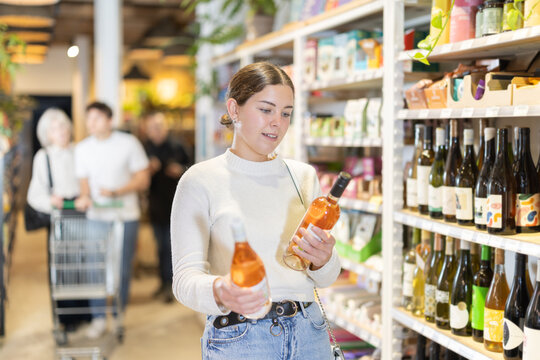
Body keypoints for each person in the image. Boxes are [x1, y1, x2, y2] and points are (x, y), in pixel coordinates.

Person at [171, 62, 341, 359]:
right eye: (266, 110)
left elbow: (326, 277)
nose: (277, 122)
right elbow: (184, 280)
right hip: (241, 338)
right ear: (234, 109)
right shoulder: (200, 180)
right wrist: (222, 289)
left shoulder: (302, 176)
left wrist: (323, 260)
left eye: (286, 113)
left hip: (309, 332)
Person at [74, 102, 150, 339]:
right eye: (88, 119)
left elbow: (143, 179)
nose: (91, 123)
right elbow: (83, 184)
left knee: (121, 269)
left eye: (96, 118)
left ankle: (118, 316)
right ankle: (98, 318)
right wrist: (85, 197)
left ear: (109, 119)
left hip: (125, 216)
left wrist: (117, 191)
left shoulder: (128, 143)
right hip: (96, 217)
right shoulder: (83, 148)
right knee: (94, 268)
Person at [27, 108, 91, 331]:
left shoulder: (81, 151)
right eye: (54, 128)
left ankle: (86, 312)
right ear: (47, 134)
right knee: (62, 268)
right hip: (59, 218)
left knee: (86, 264)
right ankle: (66, 318)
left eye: (63, 126)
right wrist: (53, 201)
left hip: (83, 215)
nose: (61, 131)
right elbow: (34, 196)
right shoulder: (43, 157)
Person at [143, 111, 190, 302]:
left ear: (165, 128)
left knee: (171, 247)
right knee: (159, 246)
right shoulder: (145, 148)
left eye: (158, 127)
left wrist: (179, 170)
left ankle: (172, 286)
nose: (155, 132)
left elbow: (192, 169)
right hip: (155, 205)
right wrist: (148, 169)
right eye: (151, 128)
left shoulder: (178, 146)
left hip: (175, 204)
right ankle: (162, 282)